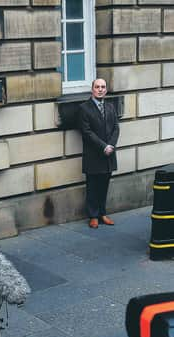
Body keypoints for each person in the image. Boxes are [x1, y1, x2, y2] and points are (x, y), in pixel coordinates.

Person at [79, 78, 119, 228]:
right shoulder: (84, 108)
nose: (100, 89)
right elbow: (86, 132)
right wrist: (103, 146)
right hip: (94, 154)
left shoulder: (110, 107)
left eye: (103, 87)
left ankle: (102, 213)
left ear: (106, 90)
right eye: (97, 87)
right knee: (92, 186)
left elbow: (116, 128)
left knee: (104, 185)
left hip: (109, 154)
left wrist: (111, 146)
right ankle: (93, 216)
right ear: (92, 90)